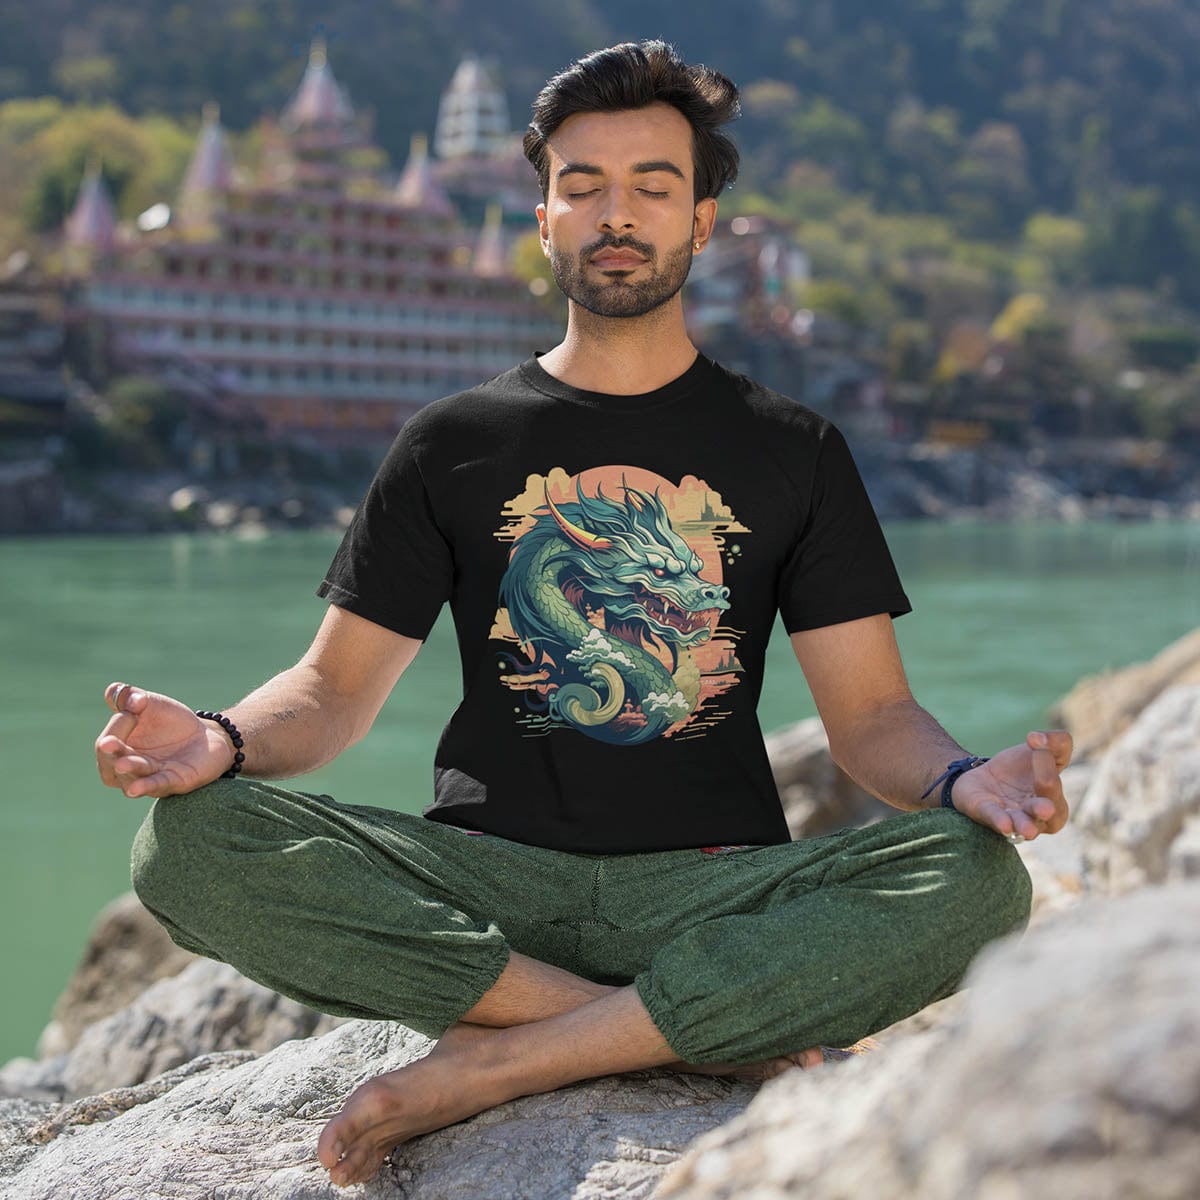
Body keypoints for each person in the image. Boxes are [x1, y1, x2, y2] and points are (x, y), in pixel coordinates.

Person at [94, 41, 1071, 1189]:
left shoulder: (791, 450)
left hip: (712, 886)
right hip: (489, 889)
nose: (618, 215)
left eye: (654, 187)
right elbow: (333, 692)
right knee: (188, 840)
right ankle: (644, 1030)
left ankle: (498, 1063)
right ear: (544, 218)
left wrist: (967, 784)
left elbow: (871, 721)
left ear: (702, 221)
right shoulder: (453, 442)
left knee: (982, 881)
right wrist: (221, 738)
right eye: (583, 186)